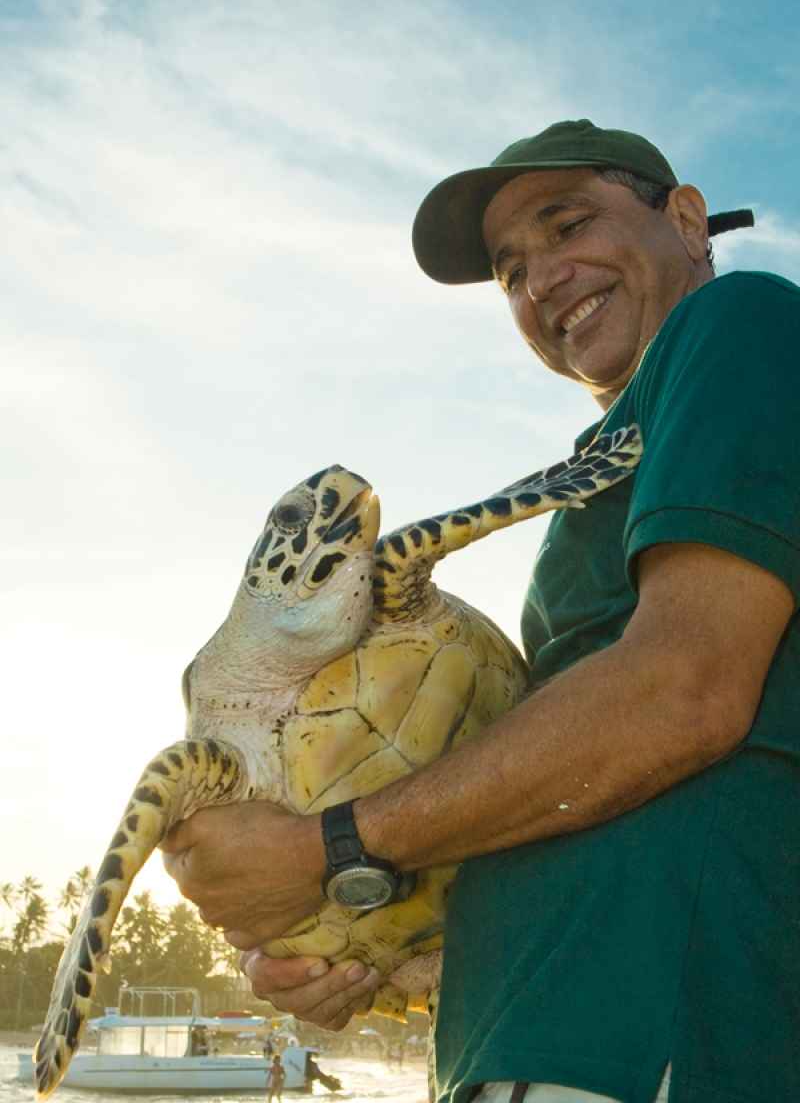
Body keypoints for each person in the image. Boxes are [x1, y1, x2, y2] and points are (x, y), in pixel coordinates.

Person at [162, 119, 800, 1103]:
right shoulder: (619, 465)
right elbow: (556, 789)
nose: (540, 278)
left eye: (566, 223)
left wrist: (326, 848)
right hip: (531, 1033)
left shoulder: (739, 324)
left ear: (682, 219)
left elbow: (685, 689)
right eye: (508, 268)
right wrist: (346, 942)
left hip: (649, 1029)